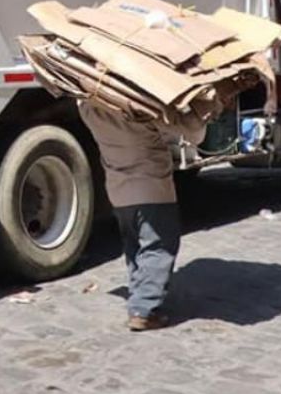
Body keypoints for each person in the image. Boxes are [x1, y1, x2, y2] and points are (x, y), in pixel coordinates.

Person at [79, 103, 201, 331]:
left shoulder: (89, 108)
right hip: (151, 187)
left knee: (134, 245)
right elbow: (193, 134)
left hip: (118, 189)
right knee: (158, 245)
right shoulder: (142, 108)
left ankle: (138, 295)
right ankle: (144, 310)